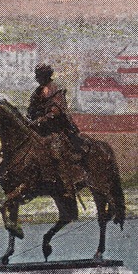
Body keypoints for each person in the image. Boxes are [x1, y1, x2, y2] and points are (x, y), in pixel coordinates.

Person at [27, 64, 87, 199]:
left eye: (39, 75)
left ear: (47, 75)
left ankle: (68, 187)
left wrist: (40, 120)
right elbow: (31, 109)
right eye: (37, 75)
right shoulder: (38, 91)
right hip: (39, 130)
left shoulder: (56, 90)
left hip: (57, 129)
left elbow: (56, 112)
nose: (37, 78)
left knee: (56, 152)